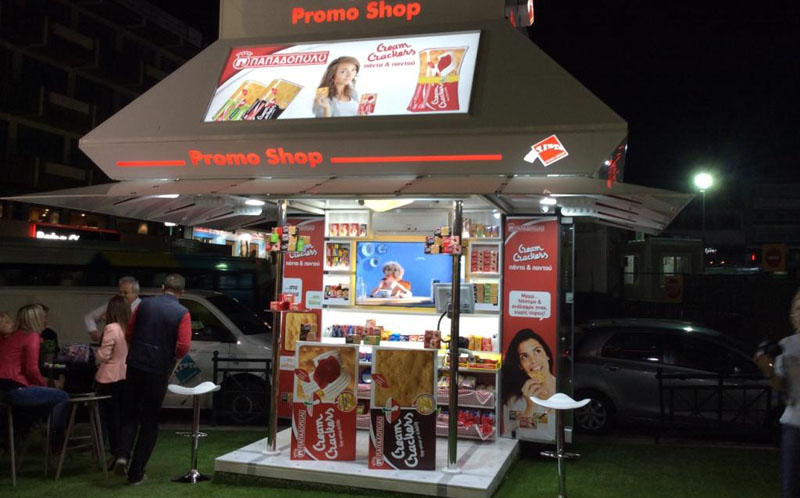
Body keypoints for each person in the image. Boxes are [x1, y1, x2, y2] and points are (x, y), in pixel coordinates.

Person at [114, 274, 191, 485]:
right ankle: (136, 473)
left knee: (129, 413)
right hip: (158, 368)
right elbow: (184, 346)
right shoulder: (182, 312)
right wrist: (172, 358)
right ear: (181, 292)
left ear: (163, 287)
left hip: (136, 363)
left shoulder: (144, 304)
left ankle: (122, 454)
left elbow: (130, 331)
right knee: (149, 421)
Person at [0, 305, 69, 460]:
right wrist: (45, 386)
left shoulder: (13, 336)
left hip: (5, 388)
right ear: (36, 319)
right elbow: (32, 370)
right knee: (61, 397)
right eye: (43, 317)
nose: (46, 321)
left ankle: (22, 432)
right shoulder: (32, 336)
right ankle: (55, 442)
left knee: (42, 402)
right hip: (15, 388)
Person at [755, 289, 800, 498]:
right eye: (798, 309)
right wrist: (768, 370)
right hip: (794, 425)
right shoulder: (786, 345)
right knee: (790, 489)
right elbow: (781, 386)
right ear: (791, 314)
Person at [94, 295, 130, 469]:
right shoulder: (129, 328)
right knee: (122, 418)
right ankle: (121, 453)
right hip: (126, 375)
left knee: (107, 418)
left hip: (108, 376)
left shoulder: (111, 328)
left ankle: (112, 452)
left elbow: (104, 355)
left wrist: (96, 355)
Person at [501, 328, 556, 438]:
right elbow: (516, 435)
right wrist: (530, 407)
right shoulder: (514, 401)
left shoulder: (563, 387)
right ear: (520, 366)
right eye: (524, 357)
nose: (533, 360)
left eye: (537, 351)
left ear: (547, 354)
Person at [85, 276, 141, 343]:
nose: (122, 295)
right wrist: (93, 331)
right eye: (120, 292)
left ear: (135, 293)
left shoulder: (143, 307)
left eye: (125, 293)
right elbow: (89, 317)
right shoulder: (113, 304)